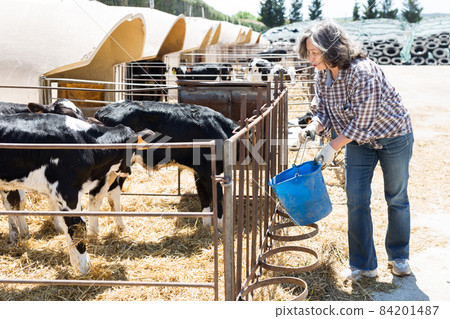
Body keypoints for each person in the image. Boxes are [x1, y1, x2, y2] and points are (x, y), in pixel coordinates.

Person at [296, 19, 414, 281]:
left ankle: (399, 256)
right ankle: (363, 264)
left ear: (332, 48)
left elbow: (363, 122)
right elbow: (322, 111)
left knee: (396, 197)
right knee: (356, 198)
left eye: (315, 52)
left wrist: (331, 147)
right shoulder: (321, 74)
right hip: (358, 142)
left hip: (393, 136)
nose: (311, 58)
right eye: (309, 53)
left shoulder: (363, 71)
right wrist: (311, 129)